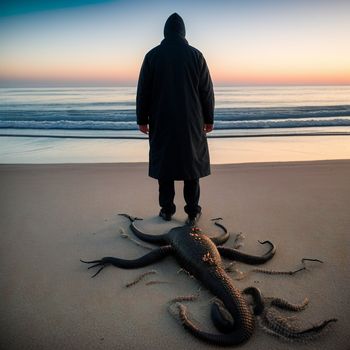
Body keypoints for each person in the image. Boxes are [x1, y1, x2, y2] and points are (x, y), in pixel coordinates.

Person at [136, 13, 214, 225]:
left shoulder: (152, 55)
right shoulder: (196, 55)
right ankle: (192, 211)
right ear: (183, 32)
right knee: (192, 166)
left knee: (165, 165)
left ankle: (167, 210)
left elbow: (143, 90)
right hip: (191, 120)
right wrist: (209, 118)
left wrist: (141, 119)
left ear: (165, 32)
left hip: (161, 119)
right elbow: (206, 90)